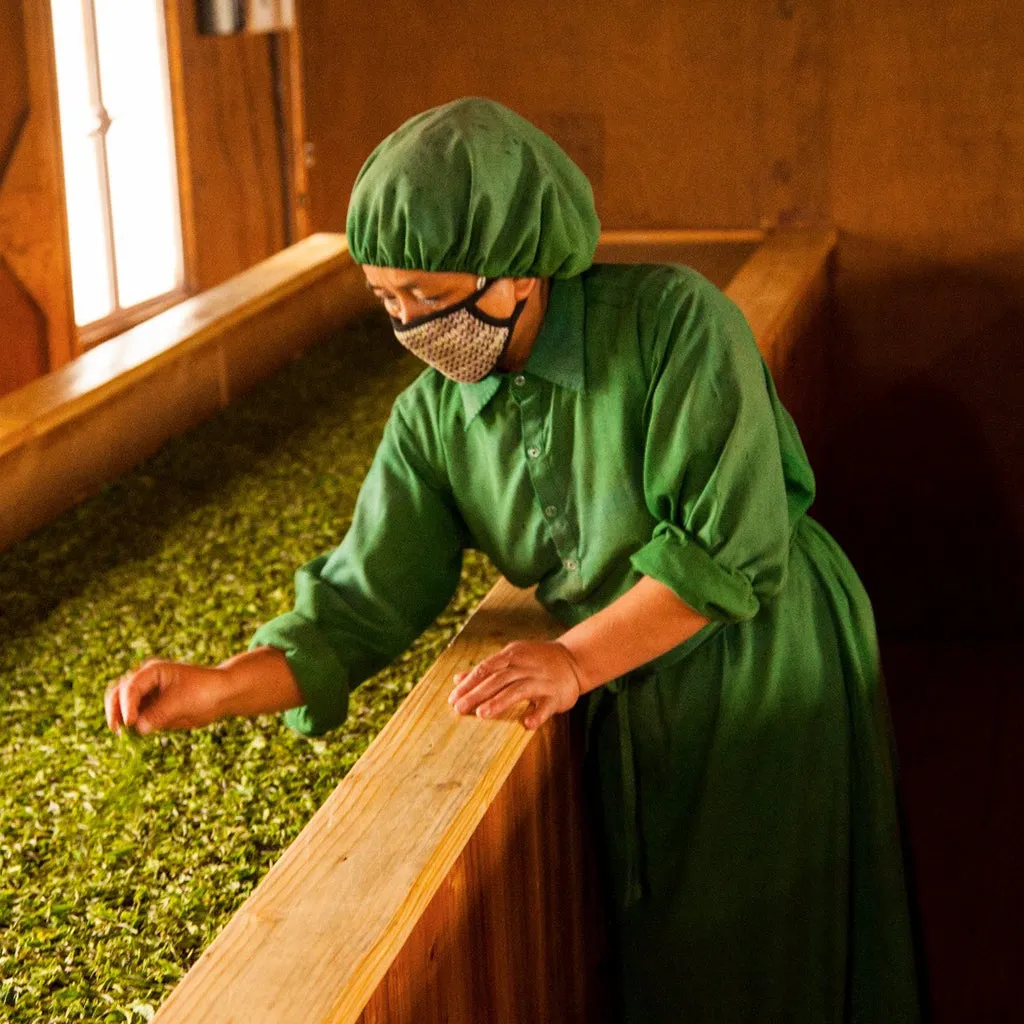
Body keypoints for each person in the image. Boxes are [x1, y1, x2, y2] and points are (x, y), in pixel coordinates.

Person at [104, 97, 921, 1021]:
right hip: (627, 682)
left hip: (762, 660)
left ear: (520, 268)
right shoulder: (433, 418)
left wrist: (573, 659)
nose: (413, 324)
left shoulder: (675, 326)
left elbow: (726, 551)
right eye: (387, 300)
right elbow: (363, 598)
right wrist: (220, 685)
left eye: (431, 294)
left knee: (779, 935)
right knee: (677, 956)